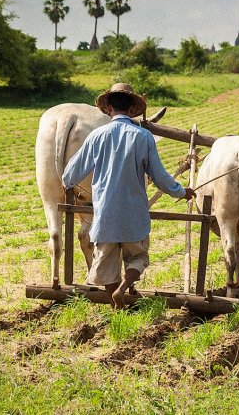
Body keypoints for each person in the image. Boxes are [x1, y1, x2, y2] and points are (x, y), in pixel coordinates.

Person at [62, 83, 196, 309]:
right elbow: (160, 176)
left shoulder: (97, 136)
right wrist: (182, 192)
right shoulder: (143, 137)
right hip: (135, 214)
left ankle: (118, 307)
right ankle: (123, 289)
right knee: (138, 258)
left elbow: (71, 173)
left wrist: (67, 183)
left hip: (105, 214)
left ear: (109, 108)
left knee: (105, 265)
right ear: (133, 109)